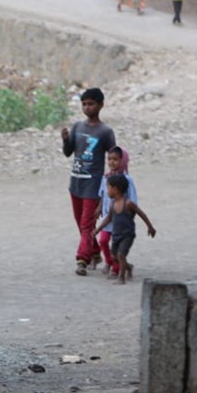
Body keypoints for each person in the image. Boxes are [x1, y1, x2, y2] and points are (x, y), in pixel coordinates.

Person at [61, 88, 117, 276]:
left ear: (101, 105)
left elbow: (114, 158)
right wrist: (65, 140)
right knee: (81, 223)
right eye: (84, 104)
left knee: (86, 224)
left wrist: (114, 183)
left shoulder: (105, 132)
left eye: (91, 104)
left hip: (93, 186)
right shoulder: (77, 127)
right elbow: (68, 152)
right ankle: (94, 252)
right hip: (76, 184)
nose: (87, 107)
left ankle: (81, 260)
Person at [92, 174, 156, 285]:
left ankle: (121, 278)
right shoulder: (112, 204)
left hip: (127, 235)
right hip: (116, 235)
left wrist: (150, 227)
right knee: (114, 256)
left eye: (108, 188)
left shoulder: (128, 203)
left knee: (121, 255)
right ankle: (128, 267)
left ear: (116, 189)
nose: (107, 191)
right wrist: (97, 230)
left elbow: (142, 214)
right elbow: (108, 219)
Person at [95, 146, 137, 279]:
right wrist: (99, 208)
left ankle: (116, 268)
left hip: (120, 219)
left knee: (117, 245)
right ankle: (110, 261)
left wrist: (128, 216)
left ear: (122, 161)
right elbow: (103, 195)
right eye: (109, 159)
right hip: (108, 217)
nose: (111, 162)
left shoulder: (127, 180)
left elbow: (133, 199)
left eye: (115, 159)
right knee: (103, 241)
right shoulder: (105, 178)